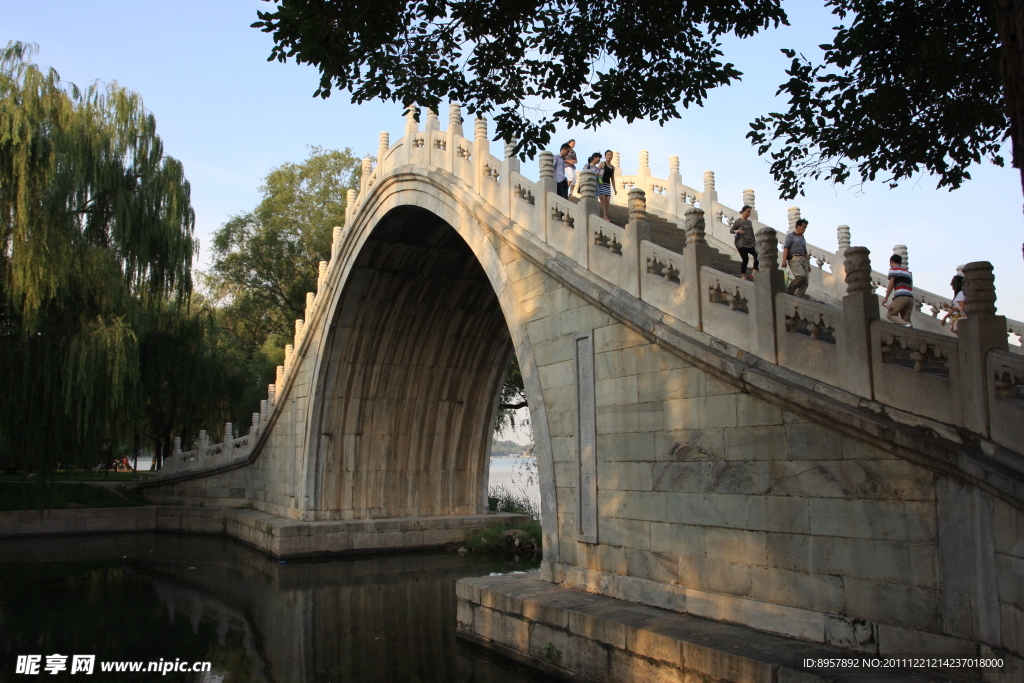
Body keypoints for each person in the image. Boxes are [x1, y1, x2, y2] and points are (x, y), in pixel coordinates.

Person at [881, 253, 914, 326]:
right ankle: (908, 326)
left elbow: (891, 284)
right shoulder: (908, 272)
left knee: (890, 315)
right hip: (910, 298)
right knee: (906, 319)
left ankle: (907, 324)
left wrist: (886, 297)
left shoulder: (893, 270)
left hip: (901, 296)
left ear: (892, 262)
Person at [781, 219, 810, 297]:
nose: (804, 229)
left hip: (803, 259)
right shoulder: (790, 236)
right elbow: (786, 248)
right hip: (794, 258)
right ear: (798, 226)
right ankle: (790, 288)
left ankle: (799, 298)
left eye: (805, 228)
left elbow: (805, 252)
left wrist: (808, 264)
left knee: (805, 282)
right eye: (803, 227)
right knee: (801, 276)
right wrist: (784, 261)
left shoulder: (803, 238)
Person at [730, 205, 758, 280]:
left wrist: (754, 241)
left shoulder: (749, 222)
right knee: (745, 259)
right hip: (741, 243)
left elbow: (751, 232)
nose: (748, 214)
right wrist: (737, 231)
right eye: (747, 212)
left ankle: (754, 273)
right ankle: (743, 275)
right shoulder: (738, 221)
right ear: (742, 212)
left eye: (749, 212)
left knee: (757, 256)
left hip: (750, 243)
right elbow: (731, 230)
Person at [597, 149, 616, 220]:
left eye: (610, 155)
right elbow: (597, 171)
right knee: (603, 201)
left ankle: (605, 216)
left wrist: (615, 189)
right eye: (608, 155)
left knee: (608, 202)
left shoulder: (612, 167)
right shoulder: (602, 163)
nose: (609, 156)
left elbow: (612, 179)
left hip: (607, 185)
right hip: (601, 183)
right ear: (605, 156)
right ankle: (604, 216)